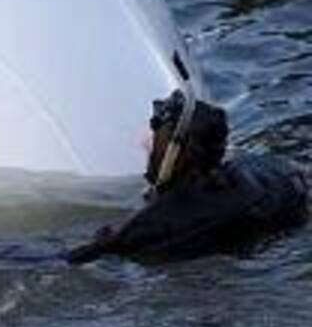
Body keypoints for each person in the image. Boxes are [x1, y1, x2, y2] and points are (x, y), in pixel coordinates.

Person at [68, 90, 309, 264]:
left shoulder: (145, 229)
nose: (143, 143)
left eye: (156, 137)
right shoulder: (258, 173)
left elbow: (71, 260)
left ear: (175, 152)